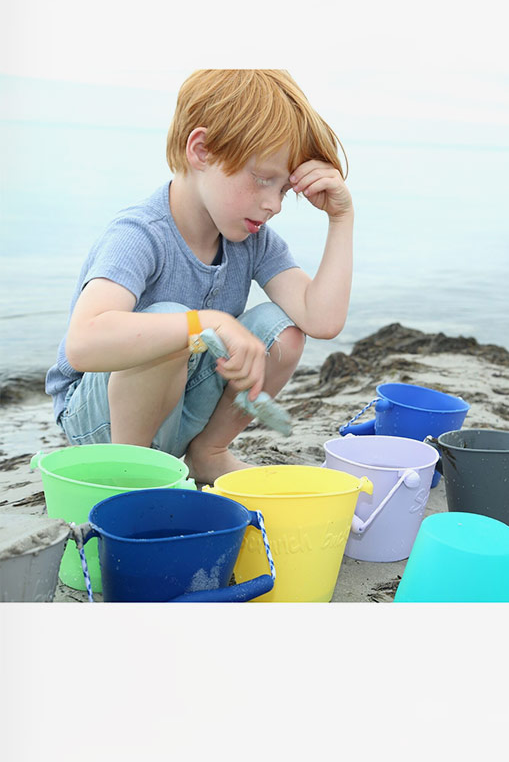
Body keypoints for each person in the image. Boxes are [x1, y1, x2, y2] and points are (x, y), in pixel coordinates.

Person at [45, 70, 353, 484]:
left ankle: (208, 453)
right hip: (103, 424)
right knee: (172, 324)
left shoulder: (253, 239)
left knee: (283, 332)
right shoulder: (139, 234)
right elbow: (83, 344)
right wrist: (208, 322)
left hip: (181, 411)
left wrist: (341, 218)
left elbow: (322, 320)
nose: (274, 204)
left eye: (283, 190)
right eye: (263, 179)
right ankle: (132, 473)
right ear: (202, 151)